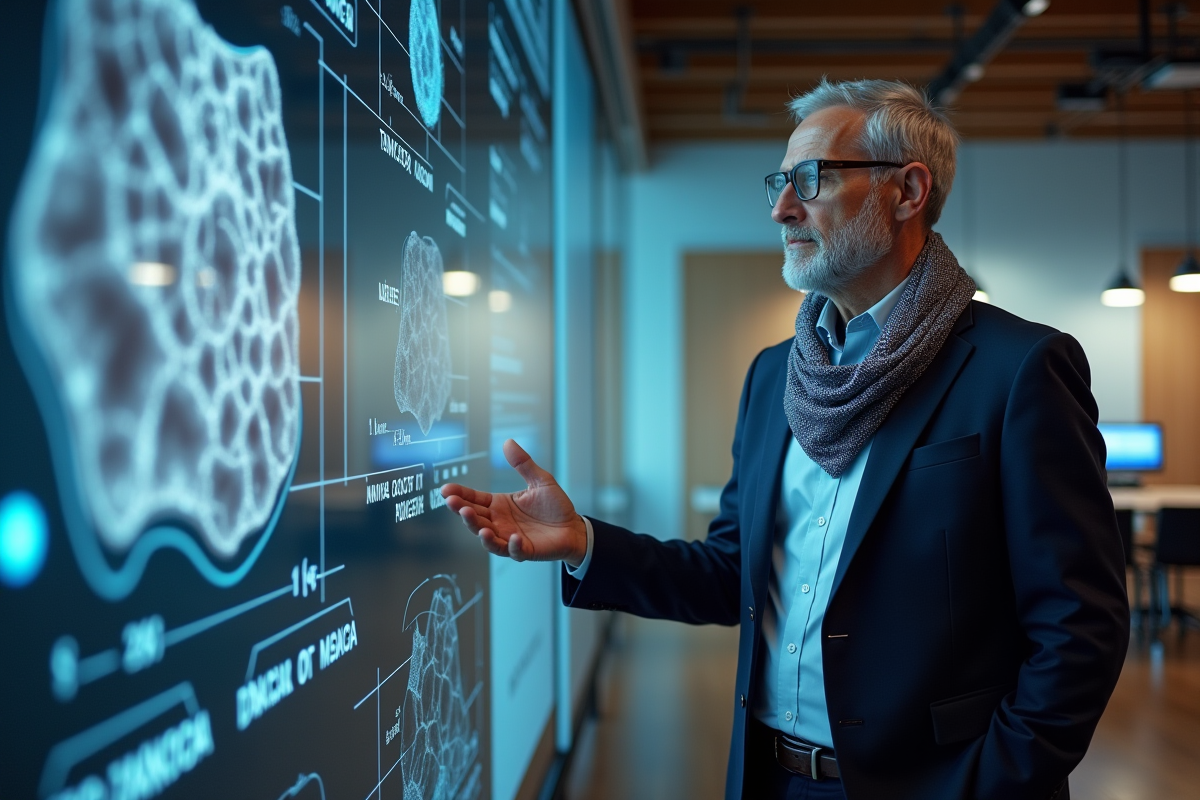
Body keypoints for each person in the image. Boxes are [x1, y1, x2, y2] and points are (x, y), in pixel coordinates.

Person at [441, 78, 1130, 800]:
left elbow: (1080, 625)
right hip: (771, 778)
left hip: (938, 784)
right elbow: (733, 572)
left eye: (811, 179)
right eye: (780, 182)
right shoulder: (776, 377)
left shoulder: (1017, 369)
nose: (781, 208)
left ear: (907, 190)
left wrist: (992, 784)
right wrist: (584, 542)